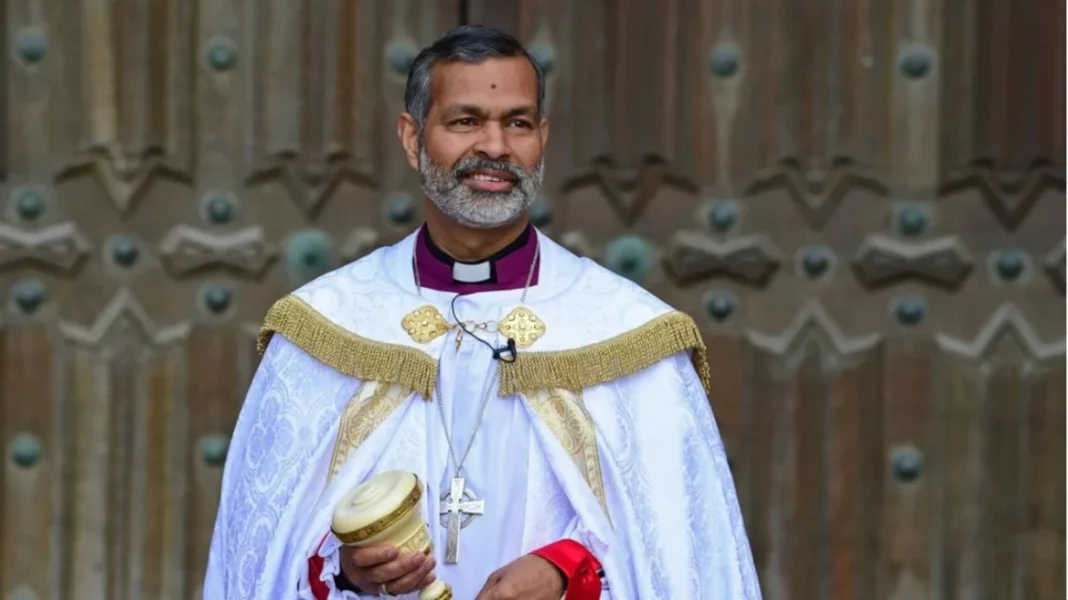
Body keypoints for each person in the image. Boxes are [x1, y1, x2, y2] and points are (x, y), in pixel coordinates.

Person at [203, 25, 761, 600]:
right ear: (412, 138)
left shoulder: (627, 334)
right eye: (465, 121)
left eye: (517, 123)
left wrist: (571, 571)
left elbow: (684, 558)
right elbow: (258, 563)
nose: (495, 147)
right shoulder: (325, 327)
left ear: (542, 137)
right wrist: (346, 570)